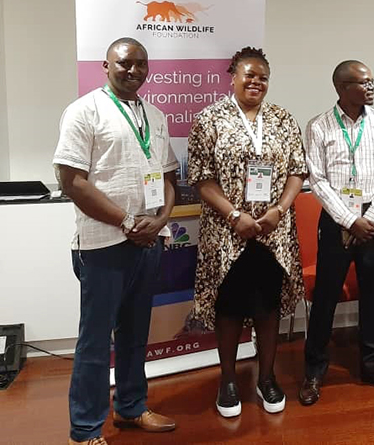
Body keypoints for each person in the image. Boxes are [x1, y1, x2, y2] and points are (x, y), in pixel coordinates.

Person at [54, 37, 178, 445]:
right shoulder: (83, 111)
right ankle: (85, 429)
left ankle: (131, 407)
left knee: (134, 333)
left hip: (147, 243)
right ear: (105, 67)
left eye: (141, 64)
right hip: (102, 245)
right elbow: (71, 181)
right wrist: (127, 222)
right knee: (95, 339)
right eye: (125, 63)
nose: (134, 70)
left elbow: (169, 177)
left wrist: (159, 221)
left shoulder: (155, 116)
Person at [187, 47, 307, 417]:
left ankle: (267, 378)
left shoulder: (283, 119)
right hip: (227, 233)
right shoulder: (210, 119)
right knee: (229, 308)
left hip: (273, 232)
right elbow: (201, 178)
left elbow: (297, 171)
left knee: (268, 307)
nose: (256, 82)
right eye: (249, 75)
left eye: (263, 77)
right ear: (233, 77)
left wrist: (279, 210)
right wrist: (235, 215)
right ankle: (227, 381)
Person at [300, 60, 374, 405]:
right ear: (342, 88)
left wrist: (368, 219)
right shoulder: (319, 126)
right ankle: (314, 370)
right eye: (363, 82)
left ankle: (373, 365)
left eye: (372, 80)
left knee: (373, 295)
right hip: (336, 224)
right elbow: (317, 181)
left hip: (373, 220)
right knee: (326, 296)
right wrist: (348, 221)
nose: (371, 87)